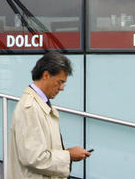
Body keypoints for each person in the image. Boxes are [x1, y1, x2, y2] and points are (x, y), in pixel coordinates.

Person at [7, 51, 91, 179]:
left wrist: (68, 154)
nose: (62, 88)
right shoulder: (29, 108)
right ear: (45, 75)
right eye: (60, 82)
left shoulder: (39, 104)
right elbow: (33, 158)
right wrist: (69, 155)